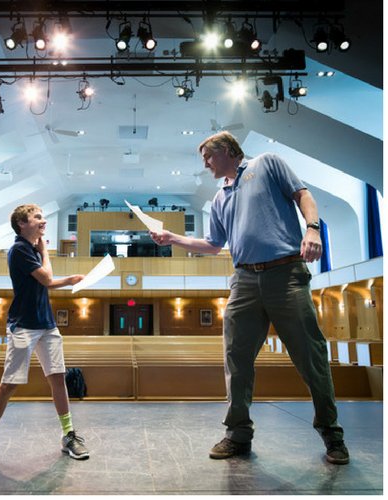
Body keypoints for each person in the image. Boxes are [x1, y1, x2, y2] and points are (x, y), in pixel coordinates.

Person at [149, 131, 347, 465]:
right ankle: (237, 434)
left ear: (226, 150)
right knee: (236, 360)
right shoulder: (219, 197)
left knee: (311, 357)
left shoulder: (267, 163)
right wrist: (173, 239)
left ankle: (332, 434)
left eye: (207, 157)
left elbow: (303, 195)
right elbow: (213, 245)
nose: (205, 164)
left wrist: (312, 228)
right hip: (243, 279)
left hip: (284, 274)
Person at [0, 204, 87, 469]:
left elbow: (47, 282)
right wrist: (47, 254)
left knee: (58, 379)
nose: (43, 222)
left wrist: (60, 271)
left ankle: (68, 435)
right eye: (37, 218)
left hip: (47, 325)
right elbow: (46, 279)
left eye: (42, 217)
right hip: (23, 326)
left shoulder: (30, 249)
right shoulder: (20, 249)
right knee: (8, 384)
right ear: (22, 224)